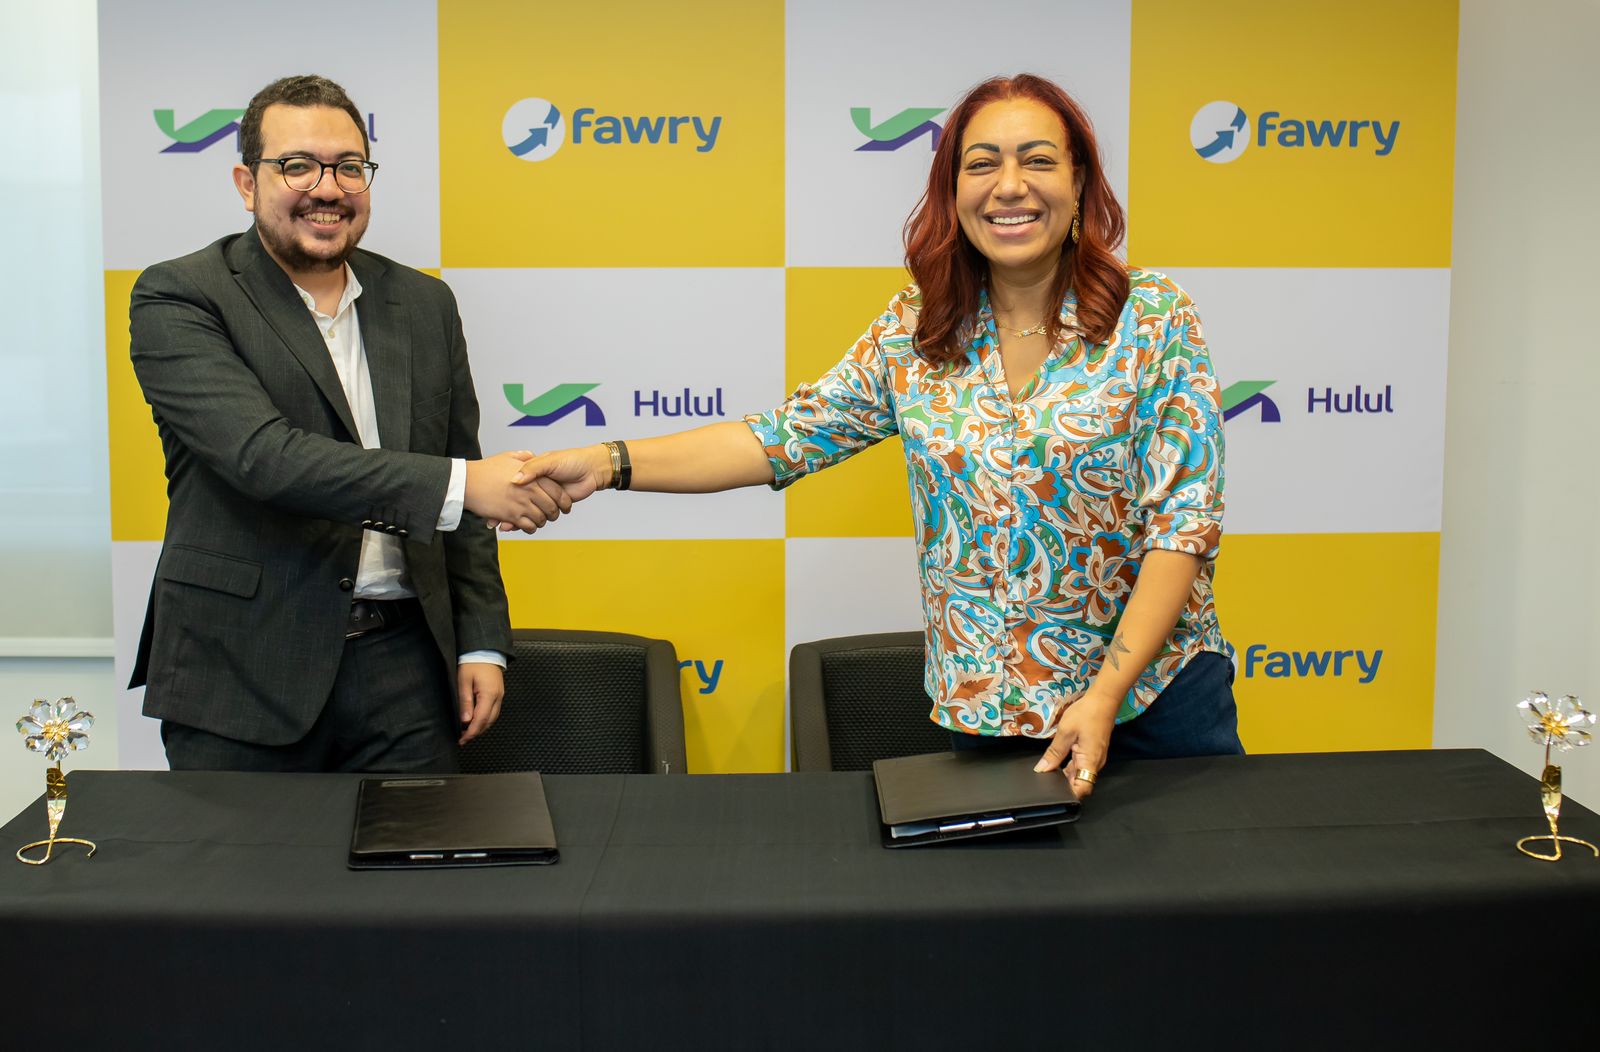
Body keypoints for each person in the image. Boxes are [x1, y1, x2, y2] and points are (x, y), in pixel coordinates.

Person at [515, 74, 1240, 797]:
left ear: (1079, 183)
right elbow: (779, 439)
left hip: (1154, 702)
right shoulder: (919, 328)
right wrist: (606, 463)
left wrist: (1105, 695)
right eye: (982, 163)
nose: (1009, 186)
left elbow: (1182, 528)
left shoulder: (1153, 318)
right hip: (990, 708)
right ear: (952, 190)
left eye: (1039, 161)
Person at [128, 74, 568, 773]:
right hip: (242, 668)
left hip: (407, 672)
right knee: (246, 855)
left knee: (419, 852)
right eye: (297, 166)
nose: (327, 189)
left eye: (349, 167)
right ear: (247, 183)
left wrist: (482, 640)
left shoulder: (424, 304)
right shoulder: (182, 296)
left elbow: (460, 469)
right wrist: (462, 485)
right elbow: (264, 457)